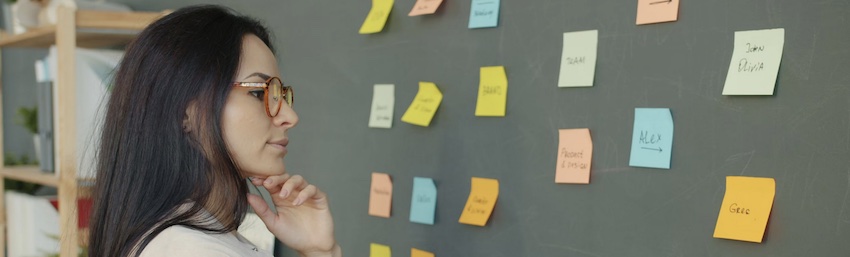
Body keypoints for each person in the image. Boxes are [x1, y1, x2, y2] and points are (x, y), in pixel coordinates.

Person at [87, 5, 341, 257]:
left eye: (282, 96)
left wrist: (319, 250)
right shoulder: (191, 250)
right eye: (258, 92)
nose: (289, 116)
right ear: (186, 112)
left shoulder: (199, 239)